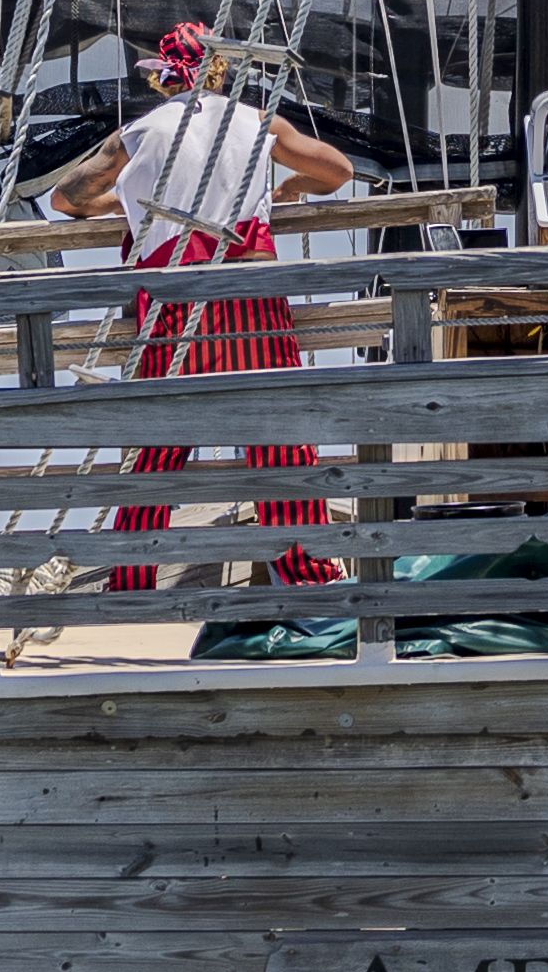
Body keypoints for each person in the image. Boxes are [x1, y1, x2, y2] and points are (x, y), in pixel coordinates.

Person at [50, 31, 356, 613]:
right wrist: (288, 188)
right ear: (218, 72)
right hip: (249, 290)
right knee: (277, 440)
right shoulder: (258, 122)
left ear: (164, 78)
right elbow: (338, 170)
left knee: (158, 444)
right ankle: (308, 574)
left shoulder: (138, 134)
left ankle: (132, 586)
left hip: (174, 295)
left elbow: (66, 198)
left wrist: (125, 204)